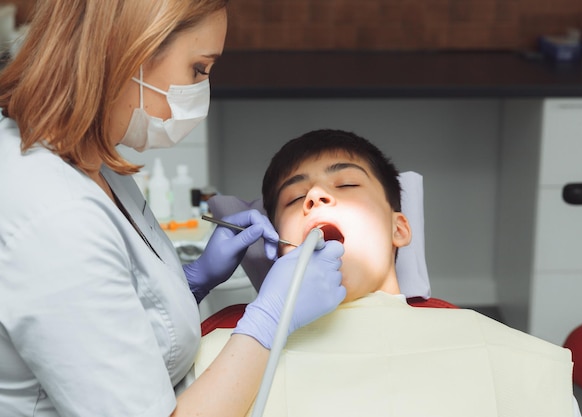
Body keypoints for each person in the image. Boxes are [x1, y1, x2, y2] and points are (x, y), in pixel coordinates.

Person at [0, 2, 345, 417]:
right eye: (198, 69)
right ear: (126, 50)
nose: (202, 90)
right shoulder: (53, 217)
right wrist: (270, 320)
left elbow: (100, 314)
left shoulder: (90, 159)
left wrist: (190, 282)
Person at [196, 129, 582, 416]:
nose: (315, 196)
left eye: (345, 183)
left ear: (399, 228)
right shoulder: (220, 354)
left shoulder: (514, 360)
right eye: (296, 198)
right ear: (279, 246)